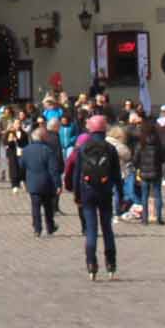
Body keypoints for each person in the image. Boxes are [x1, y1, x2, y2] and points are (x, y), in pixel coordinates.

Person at [73, 112, 122, 281]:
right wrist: (120, 196)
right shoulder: (110, 148)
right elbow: (117, 174)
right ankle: (111, 264)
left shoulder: (83, 148)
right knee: (107, 229)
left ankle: (91, 264)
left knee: (91, 230)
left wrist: (77, 195)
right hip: (105, 191)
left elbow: (77, 173)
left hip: (87, 191)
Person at [21, 119, 63, 236]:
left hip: (33, 183)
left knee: (35, 207)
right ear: (43, 138)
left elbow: (22, 166)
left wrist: (22, 180)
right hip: (47, 183)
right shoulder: (48, 150)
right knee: (48, 207)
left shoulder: (26, 150)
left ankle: (37, 228)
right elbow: (54, 169)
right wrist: (58, 184)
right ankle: (50, 226)